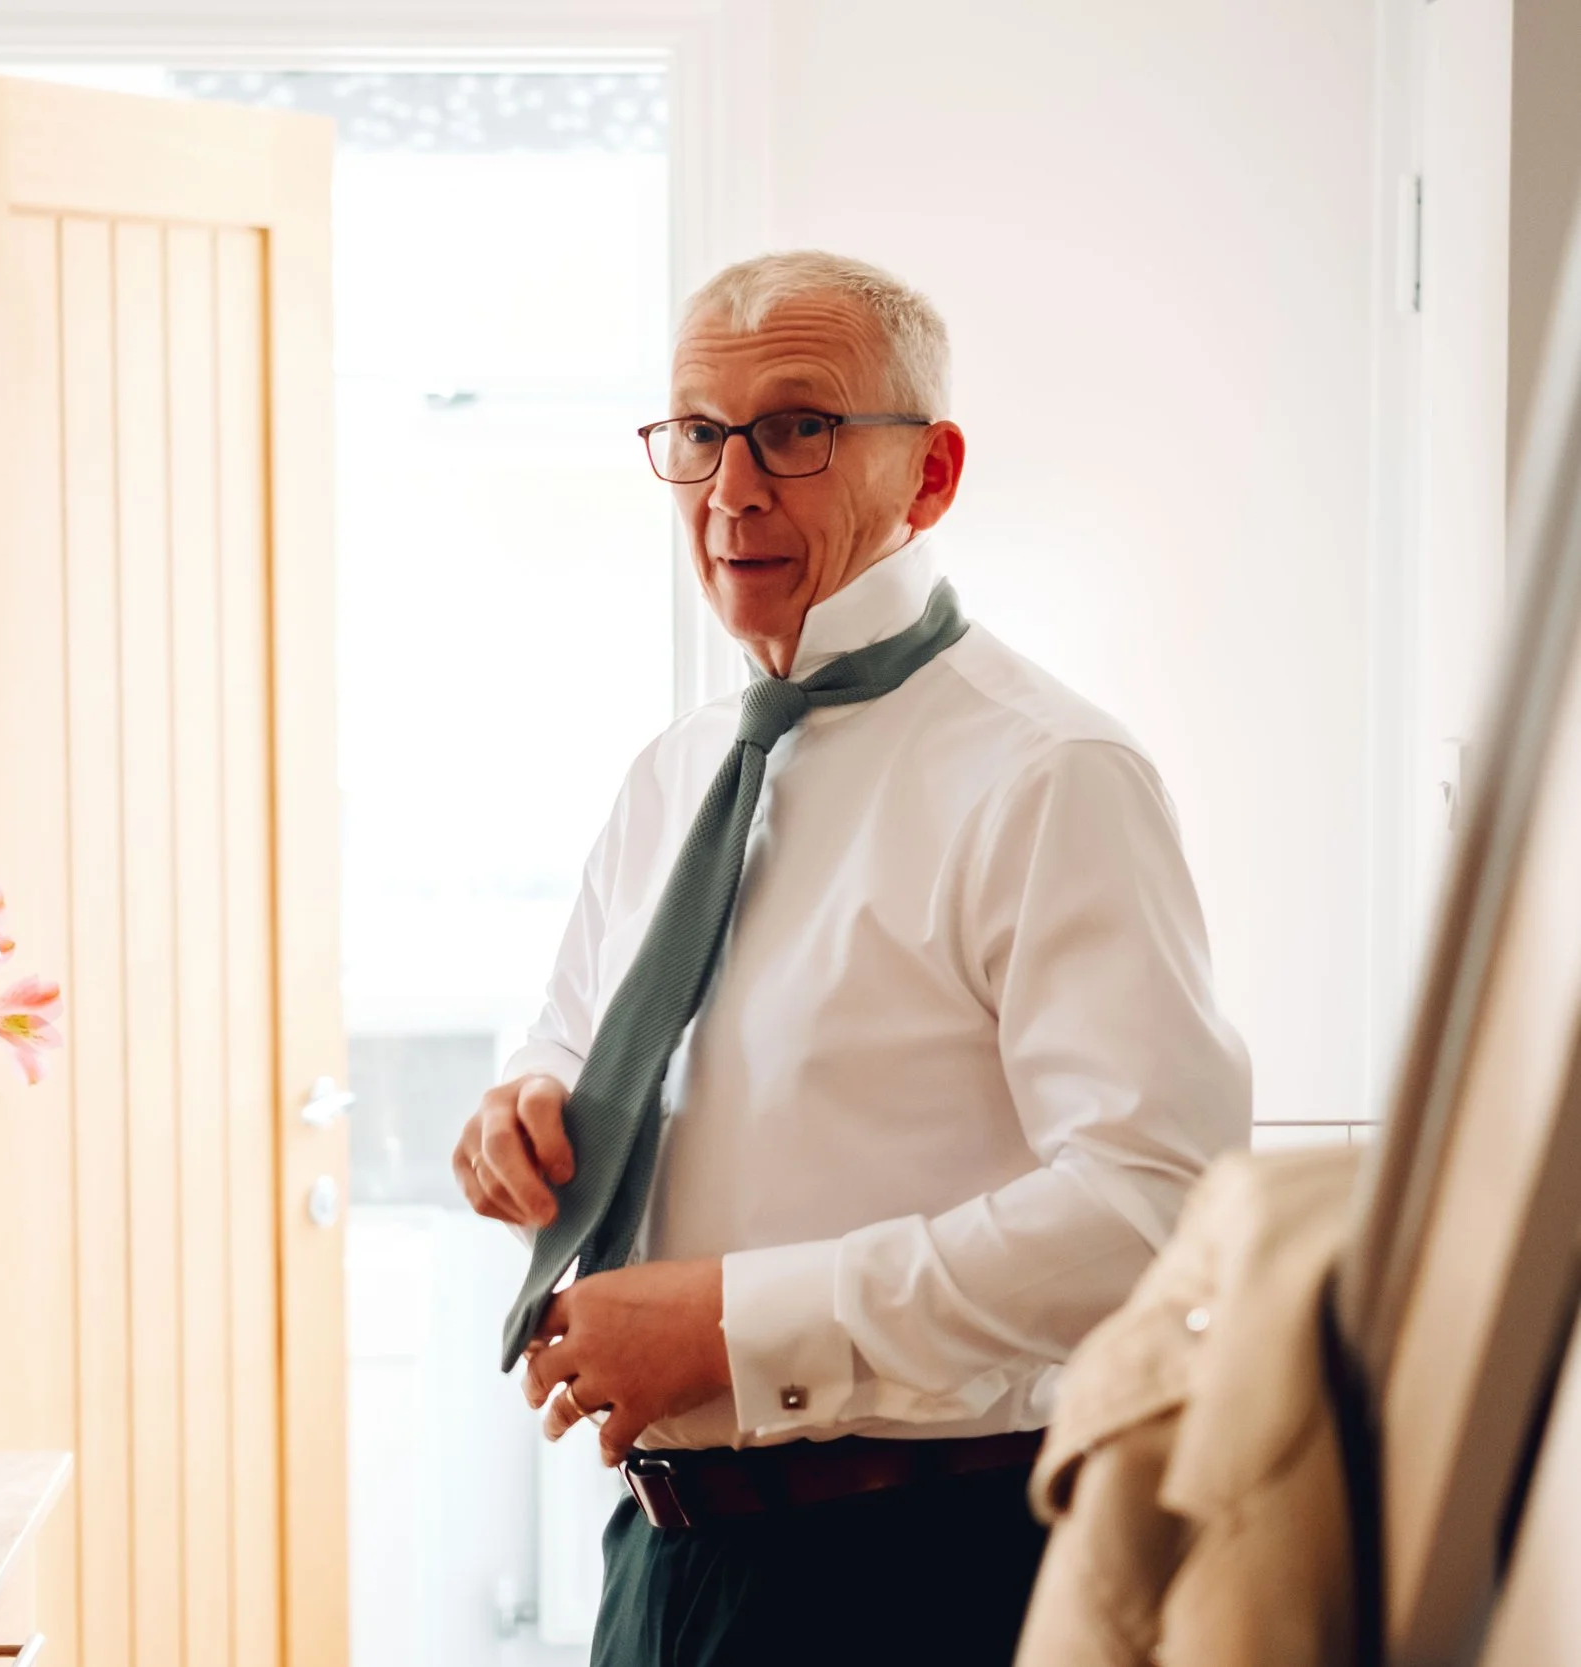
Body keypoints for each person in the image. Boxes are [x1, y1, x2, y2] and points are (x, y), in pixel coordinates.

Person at [451, 250, 1251, 1665]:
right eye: (700, 432)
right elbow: (574, 1032)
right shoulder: (677, 771)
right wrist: (524, 1109)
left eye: (796, 430)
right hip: (663, 1560)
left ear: (929, 476)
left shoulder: (1052, 774)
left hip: (915, 1571)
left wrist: (734, 1325)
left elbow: (1153, 1208)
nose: (732, 488)